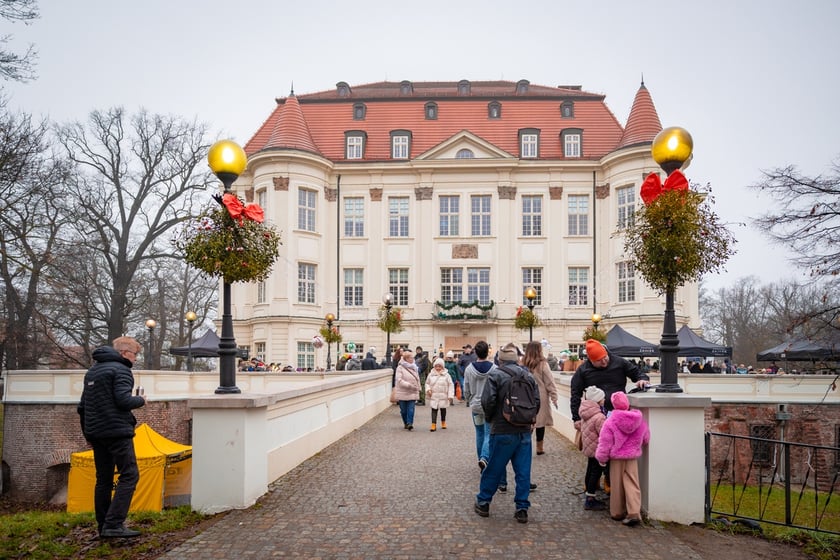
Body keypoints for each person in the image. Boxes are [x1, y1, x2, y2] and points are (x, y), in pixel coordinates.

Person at [77, 336, 146, 539]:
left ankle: (103, 526)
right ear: (124, 353)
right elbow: (124, 401)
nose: (135, 359)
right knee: (129, 475)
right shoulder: (121, 370)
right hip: (117, 432)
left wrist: (87, 433)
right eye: (135, 355)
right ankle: (114, 524)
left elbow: (82, 407)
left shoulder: (93, 371)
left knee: (103, 479)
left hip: (96, 433)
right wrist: (141, 400)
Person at [474, 342, 539, 524]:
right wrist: (529, 420)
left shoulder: (496, 375)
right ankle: (522, 508)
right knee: (523, 471)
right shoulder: (528, 375)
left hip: (502, 428)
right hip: (524, 429)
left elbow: (488, 401)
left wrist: (491, 419)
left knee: (494, 468)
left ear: (500, 360)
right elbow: (536, 401)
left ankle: (484, 502)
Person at [595, 391, 650, 526]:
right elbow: (646, 439)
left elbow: (605, 442)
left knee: (617, 484)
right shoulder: (639, 420)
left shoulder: (610, 421)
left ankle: (617, 512)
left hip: (617, 458)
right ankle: (634, 512)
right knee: (632, 483)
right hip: (632, 457)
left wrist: (602, 458)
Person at [570, 339, 649, 426]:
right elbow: (575, 394)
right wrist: (576, 418)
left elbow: (637, 373)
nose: (603, 362)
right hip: (595, 417)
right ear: (591, 360)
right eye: (599, 360)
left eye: (605, 357)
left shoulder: (619, 362)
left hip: (618, 412)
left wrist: (642, 378)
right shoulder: (583, 370)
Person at [463, 340, 503, 489]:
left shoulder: (469, 369)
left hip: (476, 406)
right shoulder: (494, 368)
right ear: (488, 352)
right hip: (490, 406)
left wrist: (469, 399)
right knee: (488, 434)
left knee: (479, 433)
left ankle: (482, 460)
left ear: (475, 352)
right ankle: (485, 458)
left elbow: (465, 387)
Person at [523, 340, 558, 456]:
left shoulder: (522, 363)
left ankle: (524, 445)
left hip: (526, 395)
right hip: (540, 395)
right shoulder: (543, 364)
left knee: (527, 421)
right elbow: (549, 381)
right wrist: (554, 396)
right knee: (540, 423)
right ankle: (539, 447)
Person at [579, 385, 608, 511]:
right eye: (603, 398)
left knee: (590, 470)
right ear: (597, 401)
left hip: (589, 448)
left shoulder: (585, 413)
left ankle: (588, 493)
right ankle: (590, 500)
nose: (604, 400)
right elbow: (604, 434)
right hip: (597, 449)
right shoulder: (599, 416)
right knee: (595, 473)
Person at [393, 349, 420, 430]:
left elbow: (417, 378)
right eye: (410, 358)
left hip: (413, 391)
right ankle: (405, 422)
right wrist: (408, 385)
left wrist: (417, 387)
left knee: (411, 409)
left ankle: (409, 423)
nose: (412, 359)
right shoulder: (400, 367)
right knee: (403, 410)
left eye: (412, 358)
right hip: (403, 391)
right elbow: (399, 379)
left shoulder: (414, 367)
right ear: (406, 358)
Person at [425, 357, 454, 431]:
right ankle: (433, 424)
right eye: (436, 366)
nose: (438, 368)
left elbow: (451, 385)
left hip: (443, 396)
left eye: (439, 366)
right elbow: (427, 383)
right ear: (434, 366)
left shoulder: (447, 375)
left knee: (443, 410)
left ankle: (443, 422)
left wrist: (450, 395)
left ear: (442, 366)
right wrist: (428, 390)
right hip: (434, 395)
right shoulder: (431, 374)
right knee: (434, 410)